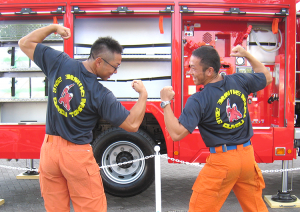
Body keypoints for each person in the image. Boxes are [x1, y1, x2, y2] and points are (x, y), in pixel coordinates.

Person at [18, 24, 148, 212]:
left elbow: (25, 43)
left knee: (55, 208)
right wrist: (143, 95)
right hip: (76, 155)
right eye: (115, 66)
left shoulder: (60, 62)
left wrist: (53, 28)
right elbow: (133, 124)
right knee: (91, 207)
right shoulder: (100, 94)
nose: (116, 72)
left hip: (49, 151)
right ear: (99, 61)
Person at [160, 45, 272, 212]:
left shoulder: (198, 100)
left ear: (209, 71)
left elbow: (176, 134)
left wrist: (165, 103)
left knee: (200, 208)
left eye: (193, 68)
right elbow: (267, 77)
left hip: (223, 162)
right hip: (248, 157)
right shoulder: (239, 80)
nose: (190, 72)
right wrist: (246, 54)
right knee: (255, 208)